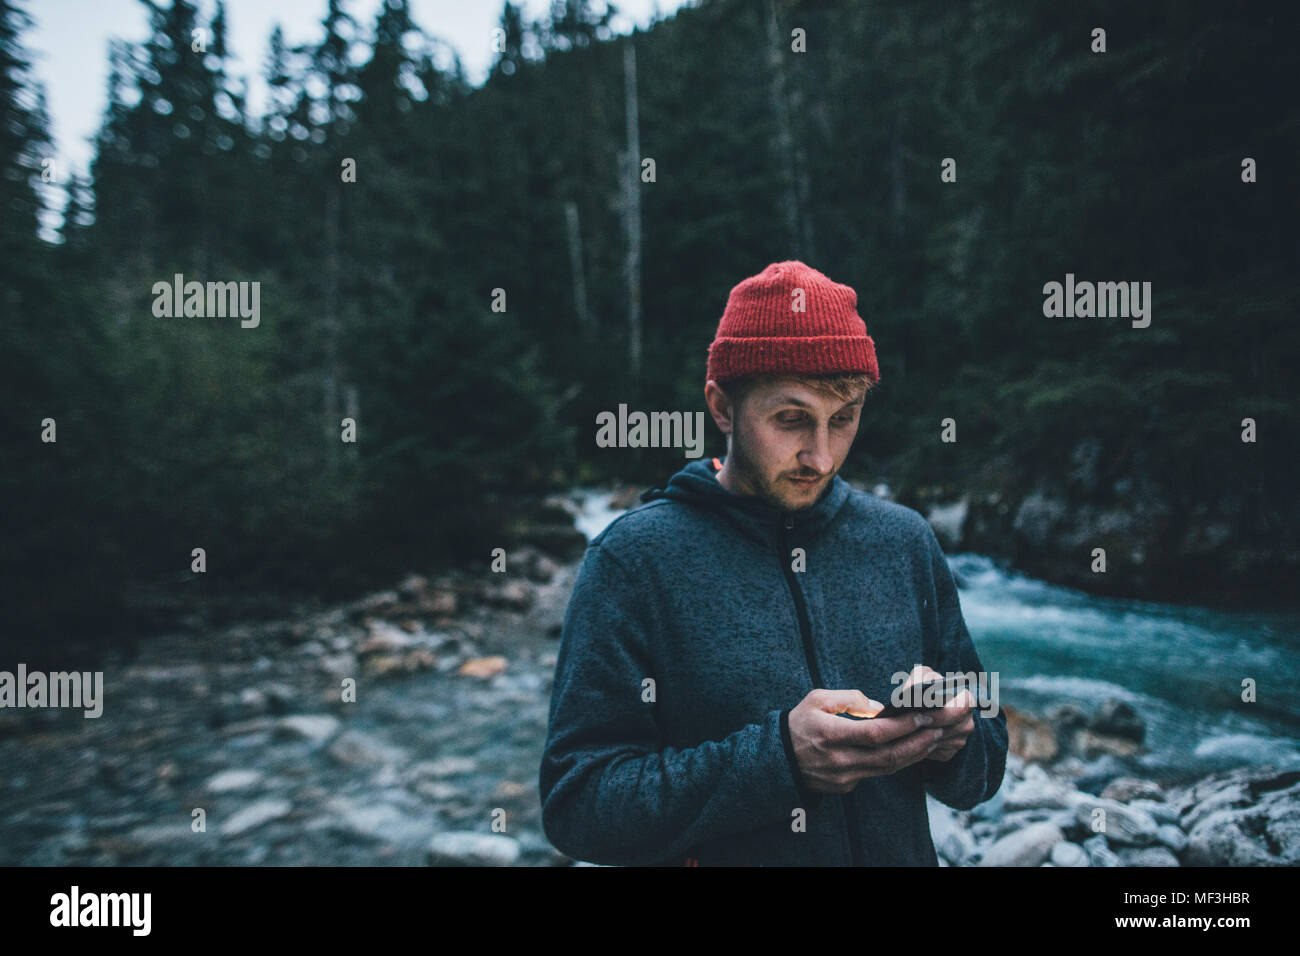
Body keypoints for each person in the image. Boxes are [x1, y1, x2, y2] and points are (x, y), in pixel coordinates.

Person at [539, 260, 1007, 866]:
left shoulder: (903, 541)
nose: (820, 454)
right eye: (791, 420)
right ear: (722, 407)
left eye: (843, 420)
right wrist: (778, 761)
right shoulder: (634, 561)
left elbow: (985, 761)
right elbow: (578, 807)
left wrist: (956, 740)